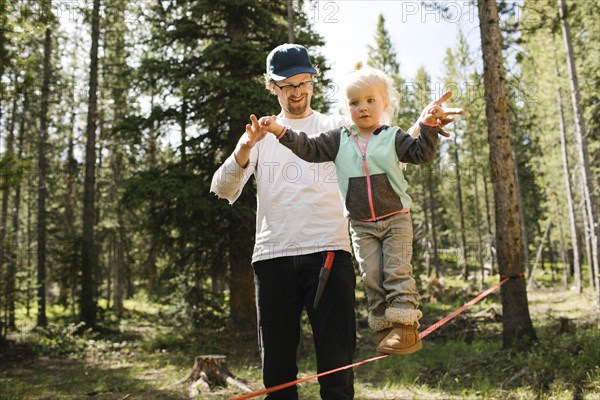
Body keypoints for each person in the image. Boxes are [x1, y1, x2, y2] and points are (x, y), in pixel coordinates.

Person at [251, 62, 463, 356]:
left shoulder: (392, 136)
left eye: (370, 101)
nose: (363, 108)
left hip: (396, 219)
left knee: (397, 272)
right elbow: (308, 148)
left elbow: (420, 154)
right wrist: (279, 130)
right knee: (372, 278)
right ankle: (385, 330)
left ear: (384, 104)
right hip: (361, 225)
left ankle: (406, 329)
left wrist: (427, 127)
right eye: (354, 103)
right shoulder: (339, 139)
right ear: (347, 107)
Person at [211, 43, 357, 400]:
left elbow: (381, 150)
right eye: (286, 85)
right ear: (272, 87)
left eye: (302, 82)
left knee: (337, 367)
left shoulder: (336, 126)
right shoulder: (260, 134)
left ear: (312, 81)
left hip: (329, 253)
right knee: (277, 372)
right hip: (273, 257)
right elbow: (223, 187)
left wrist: (422, 130)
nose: (296, 92)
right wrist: (244, 147)